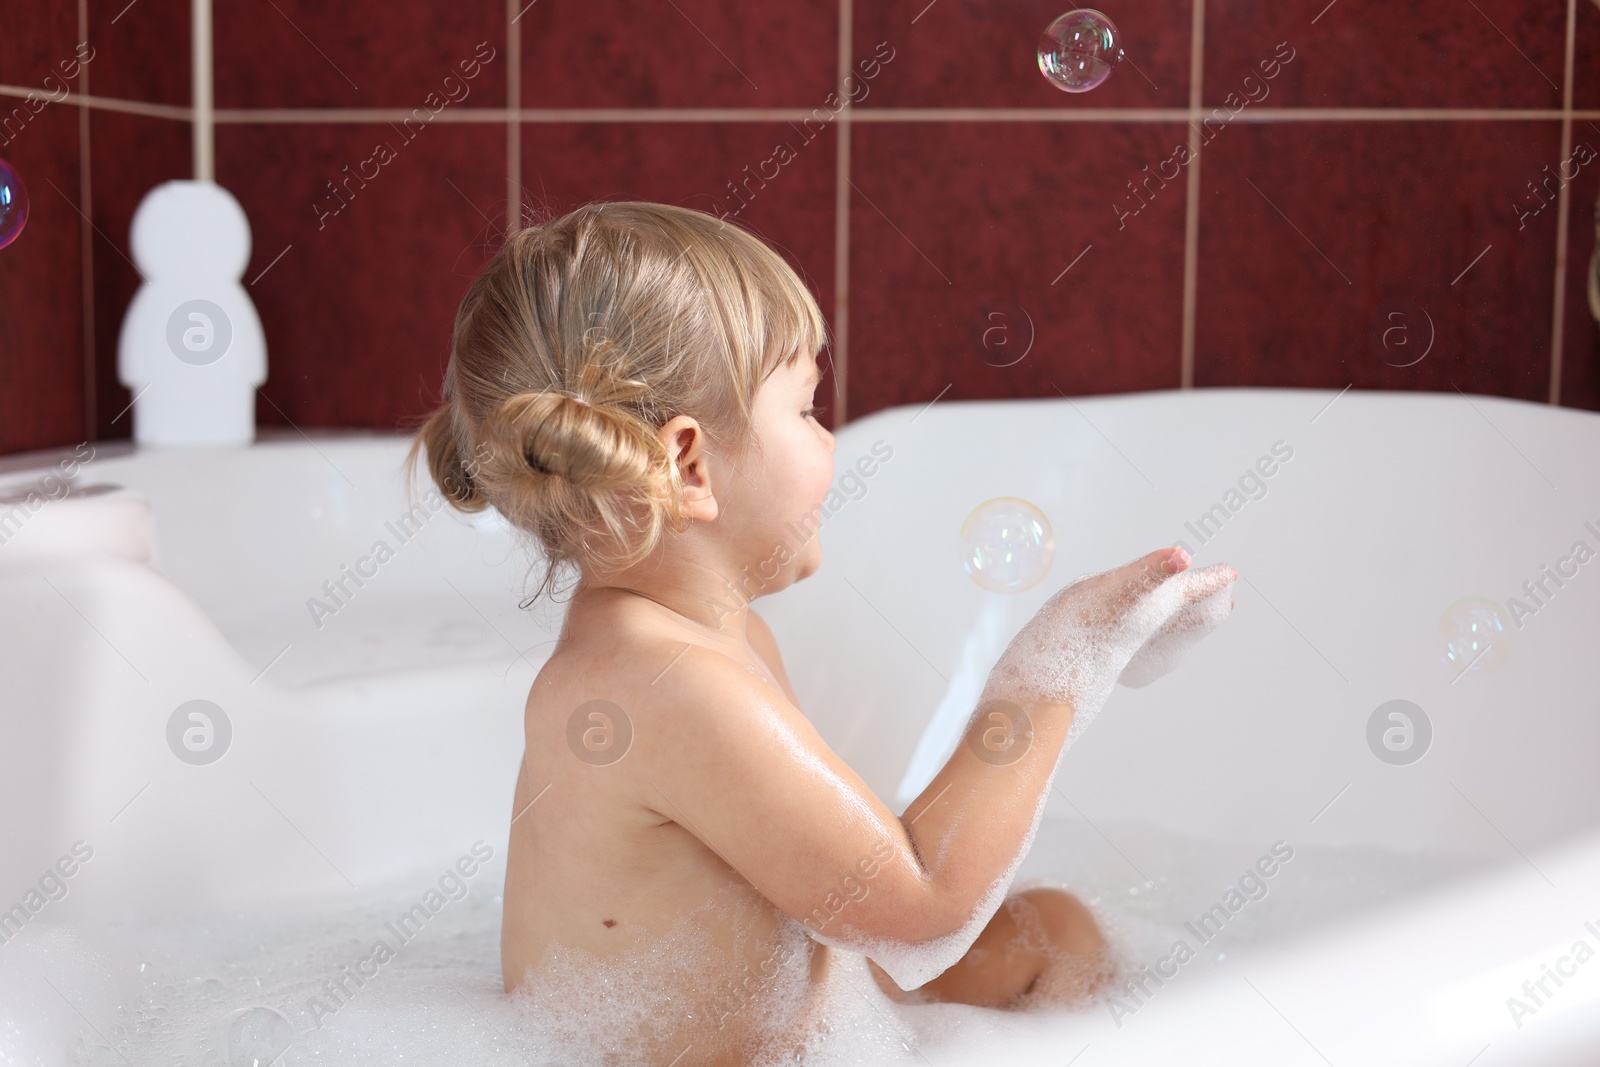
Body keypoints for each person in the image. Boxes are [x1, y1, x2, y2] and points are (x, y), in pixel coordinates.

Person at [410, 201, 1238, 1065]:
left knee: (1055, 930)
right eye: (805, 408)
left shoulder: (699, 643)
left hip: (794, 1031)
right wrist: (1065, 661)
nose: (830, 438)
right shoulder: (661, 683)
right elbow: (923, 911)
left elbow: (833, 895)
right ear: (689, 465)